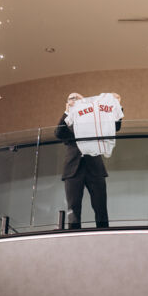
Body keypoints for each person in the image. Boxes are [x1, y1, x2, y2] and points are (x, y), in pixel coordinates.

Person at [55, 92, 123, 228]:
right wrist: (67, 111)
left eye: (77, 99)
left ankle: (103, 233)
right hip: (73, 168)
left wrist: (117, 105)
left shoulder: (93, 117)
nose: (74, 100)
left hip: (94, 166)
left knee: (100, 205)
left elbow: (115, 127)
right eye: (71, 99)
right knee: (73, 208)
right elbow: (59, 133)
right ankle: (73, 235)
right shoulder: (68, 118)